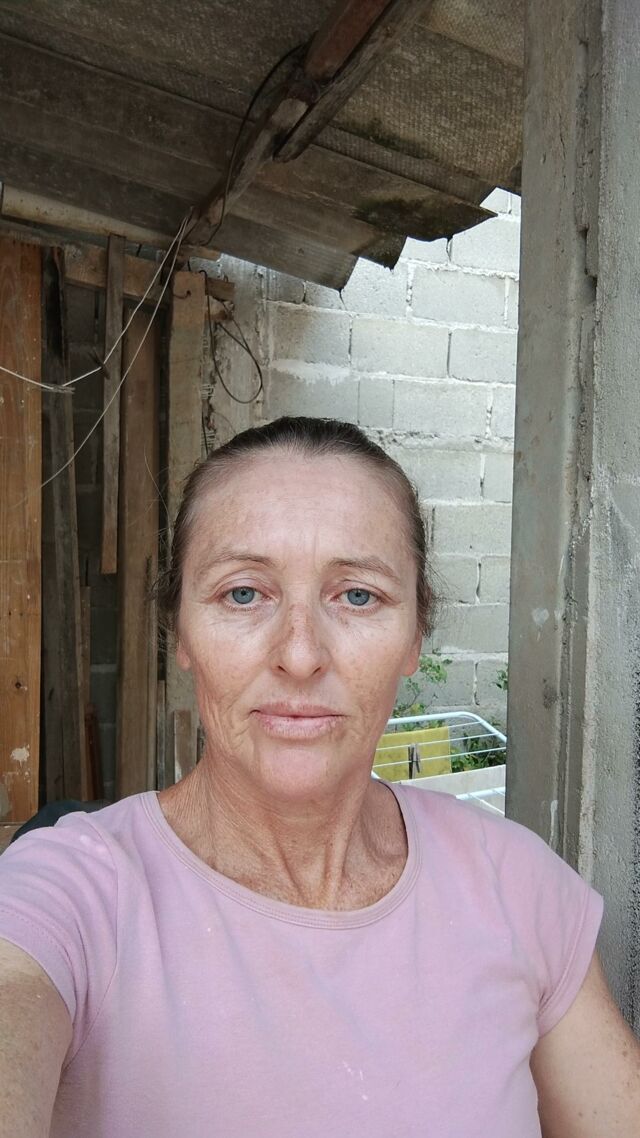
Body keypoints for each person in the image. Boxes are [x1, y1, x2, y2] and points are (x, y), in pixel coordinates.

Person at [0, 416, 638, 1138]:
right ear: (180, 632)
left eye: (357, 596)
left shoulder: (516, 888)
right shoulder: (70, 895)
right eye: (244, 594)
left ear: (415, 635)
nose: (300, 656)